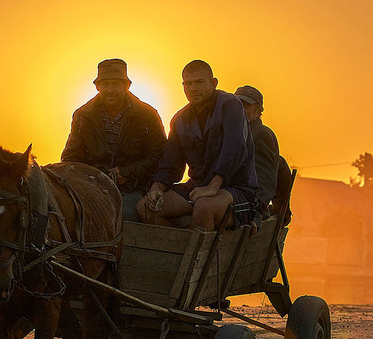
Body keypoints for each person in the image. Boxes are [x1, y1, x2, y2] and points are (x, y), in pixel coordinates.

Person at [138, 60, 257, 231]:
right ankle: (179, 253)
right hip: (197, 187)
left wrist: (213, 186)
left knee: (204, 207)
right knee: (146, 208)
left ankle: (197, 256)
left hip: (236, 189)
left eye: (200, 82)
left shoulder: (229, 105)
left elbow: (235, 148)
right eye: (189, 83)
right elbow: (171, 164)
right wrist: (157, 187)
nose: (193, 88)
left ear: (213, 83)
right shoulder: (180, 120)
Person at [61, 58, 166, 221]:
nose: (110, 90)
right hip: (91, 185)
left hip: (133, 188)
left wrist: (127, 173)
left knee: (123, 214)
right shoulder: (83, 115)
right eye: (105, 84)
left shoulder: (147, 115)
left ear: (126, 86)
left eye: (116, 84)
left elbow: (159, 155)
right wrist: (94, 176)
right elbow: (70, 157)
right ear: (97, 87)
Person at [234, 85, 280, 219]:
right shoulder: (235, 131)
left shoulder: (261, 135)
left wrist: (255, 213)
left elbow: (265, 181)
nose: (241, 110)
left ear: (258, 109)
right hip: (234, 196)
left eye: (246, 106)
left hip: (247, 203)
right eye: (238, 105)